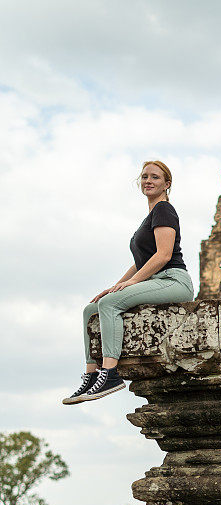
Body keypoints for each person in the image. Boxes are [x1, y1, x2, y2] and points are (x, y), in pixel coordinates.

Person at [62, 160, 194, 404]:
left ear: (167, 183)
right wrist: (115, 285)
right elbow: (141, 262)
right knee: (92, 309)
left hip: (173, 280)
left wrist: (132, 283)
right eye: (144, 176)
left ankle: (110, 374)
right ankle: (92, 375)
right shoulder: (150, 217)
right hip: (155, 278)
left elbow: (163, 255)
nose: (148, 181)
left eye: (155, 177)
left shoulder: (164, 209)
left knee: (110, 305)